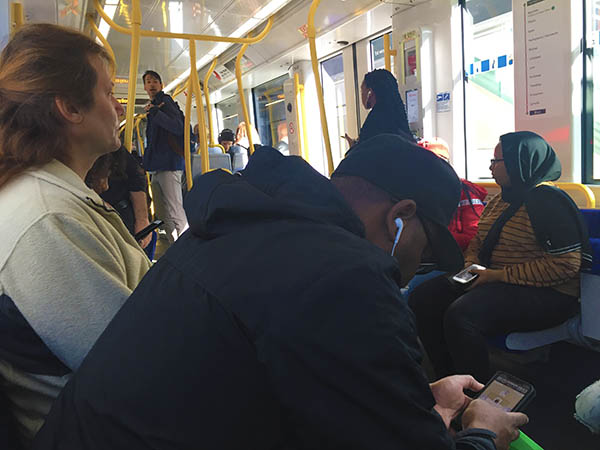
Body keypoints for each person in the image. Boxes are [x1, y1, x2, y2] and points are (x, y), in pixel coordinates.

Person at [35, 135, 526, 450]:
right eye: (426, 246)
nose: (417, 264)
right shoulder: (345, 273)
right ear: (401, 216)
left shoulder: (235, 232)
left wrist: (415, 399)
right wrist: (482, 435)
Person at [0, 24, 151, 445]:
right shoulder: (47, 222)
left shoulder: (55, 199)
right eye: (108, 93)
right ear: (69, 107)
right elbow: (141, 369)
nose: (119, 108)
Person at [409, 131, 591, 382]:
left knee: (462, 315)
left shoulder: (549, 202)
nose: (491, 167)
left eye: (497, 161)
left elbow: (566, 265)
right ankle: (448, 377)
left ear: (520, 161)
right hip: (497, 281)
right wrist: (471, 265)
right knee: (423, 298)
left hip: (551, 294)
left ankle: (476, 392)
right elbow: (478, 240)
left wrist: (496, 275)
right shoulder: (500, 201)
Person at [142, 70, 188, 255]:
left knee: (175, 209)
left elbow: (177, 127)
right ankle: (174, 248)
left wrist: (155, 112)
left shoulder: (165, 102)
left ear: (160, 85)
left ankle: (187, 248)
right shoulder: (153, 106)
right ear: (145, 87)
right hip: (157, 166)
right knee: (163, 212)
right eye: (148, 82)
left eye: (155, 81)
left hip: (169, 163)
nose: (151, 84)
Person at [419, 138, 487, 251]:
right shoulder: (410, 191)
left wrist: (432, 238)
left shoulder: (465, 192)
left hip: (451, 259)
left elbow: (475, 238)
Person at [344, 69, 413, 148]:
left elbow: (360, 157)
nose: (361, 94)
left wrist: (353, 146)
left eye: (362, 90)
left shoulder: (373, 122)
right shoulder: (400, 116)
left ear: (370, 93)